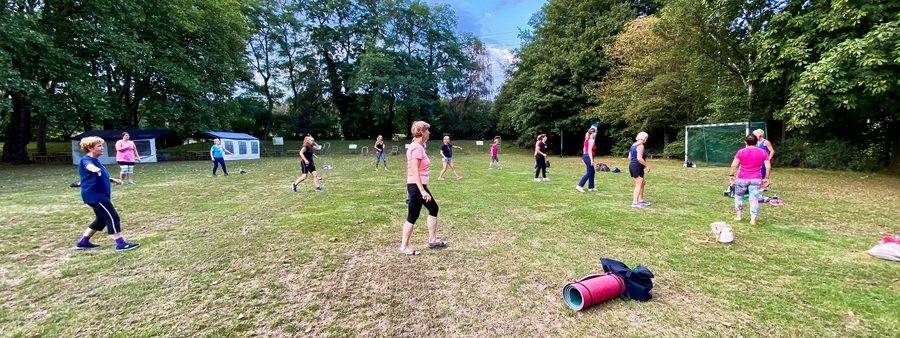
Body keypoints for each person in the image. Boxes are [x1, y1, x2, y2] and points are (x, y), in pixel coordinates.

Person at [73, 136, 140, 251]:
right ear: (90, 148)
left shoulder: (96, 160)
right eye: (99, 146)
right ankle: (120, 243)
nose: (102, 148)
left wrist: (112, 179)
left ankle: (83, 242)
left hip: (97, 195)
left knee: (101, 219)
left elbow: (97, 176)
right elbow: (89, 167)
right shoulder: (87, 160)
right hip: (95, 195)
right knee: (112, 217)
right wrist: (95, 169)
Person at [400, 121, 446, 255]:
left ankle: (432, 240)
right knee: (412, 215)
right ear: (422, 132)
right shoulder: (416, 148)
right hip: (416, 186)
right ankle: (404, 246)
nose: (429, 133)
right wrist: (422, 190)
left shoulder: (419, 146)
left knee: (433, 208)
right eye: (427, 131)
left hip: (418, 185)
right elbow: (414, 171)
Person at [729, 134, 772, 225]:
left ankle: (739, 216)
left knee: (738, 197)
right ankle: (752, 220)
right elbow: (768, 167)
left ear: (745, 142)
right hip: (756, 179)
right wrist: (766, 178)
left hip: (742, 178)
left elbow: (734, 165)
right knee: (754, 199)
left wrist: (731, 175)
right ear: (757, 142)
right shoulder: (763, 152)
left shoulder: (741, 152)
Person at [628, 132, 651, 208]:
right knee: (638, 184)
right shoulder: (640, 146)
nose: (646, 140)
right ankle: (635, 202)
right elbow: (639, 158)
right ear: (644, 138)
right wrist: (647, 165)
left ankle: (641, 200)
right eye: (646, 138)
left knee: (643, 183)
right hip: (637, 166)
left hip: (634, 166)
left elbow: (629, 157)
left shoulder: (633, 145)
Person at [576, 123, 599, 192]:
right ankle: (579, 186)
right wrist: (591, 160)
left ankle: (591, 187)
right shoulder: (591, 140)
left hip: (586, 156)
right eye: (596, 132)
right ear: (592, 132)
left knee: (592, 172)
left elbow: (584, 149)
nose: (596, 133)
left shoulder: (587, 139)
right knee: (589, 172)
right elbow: (589, 150)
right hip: (588, 157)